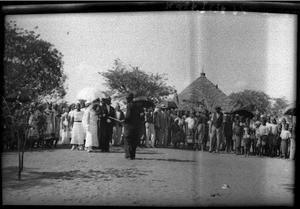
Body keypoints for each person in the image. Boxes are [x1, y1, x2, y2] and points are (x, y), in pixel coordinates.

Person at [123, 92, 143, 159]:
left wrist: (124, 120)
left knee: (128, 141)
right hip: (136, 127)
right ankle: (133, 155)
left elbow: (128, 116)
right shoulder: (139, 105)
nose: (126, 100)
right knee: (134, 142)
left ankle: (128, 155)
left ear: (129, 99)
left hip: (129, 126)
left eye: (127, 98)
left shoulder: (129, 105)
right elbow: (141, 116)